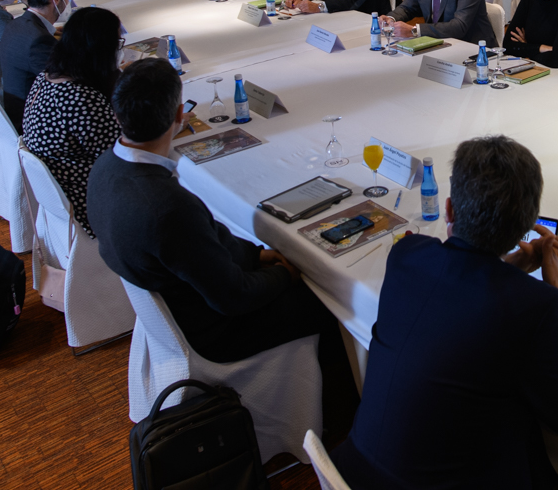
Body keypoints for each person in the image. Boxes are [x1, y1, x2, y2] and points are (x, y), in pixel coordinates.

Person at [88, 58, 358, 434]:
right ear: (180, 115)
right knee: (330, 302)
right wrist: (285, 273)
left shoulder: (104, 169)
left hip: (179, 300)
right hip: (213, 330)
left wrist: (256, 255)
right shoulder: (165, 205)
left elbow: (202, 242)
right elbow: (234, 297)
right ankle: (339, 426)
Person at [330, 135, 558, 488]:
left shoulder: (408, 255)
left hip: (354, 475)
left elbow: (461, 292)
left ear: (448, 210)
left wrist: (509, 267)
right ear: (524, 225)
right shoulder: (536, 307)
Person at [22, 7, 123, 238]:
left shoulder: (45, 78)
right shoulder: (80, 98)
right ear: (101, 48)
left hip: (62, 193)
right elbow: (119, 157)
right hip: (89, 199)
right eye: (116, 42)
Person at [0, 0, 70, 131]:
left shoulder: (17, 24)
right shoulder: (39, 40)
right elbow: (66, 87)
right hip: (33, 123)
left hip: (17, 107)